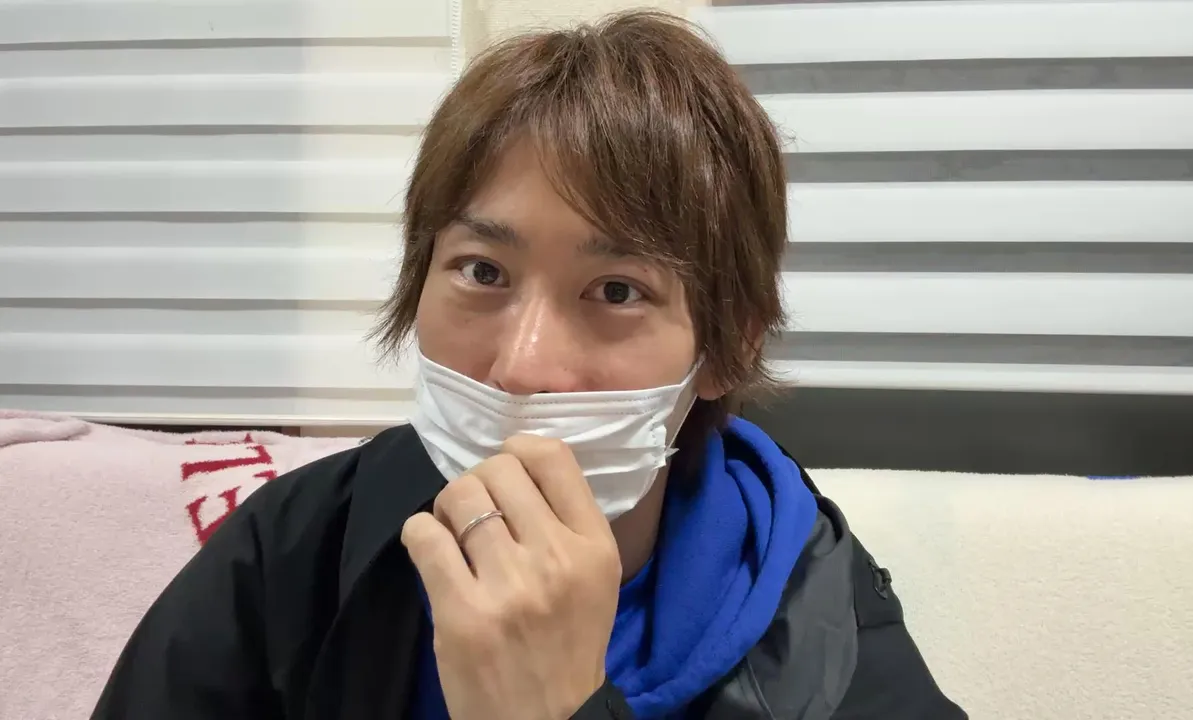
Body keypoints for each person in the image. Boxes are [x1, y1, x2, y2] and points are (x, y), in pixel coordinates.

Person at [92, 10, 965, 720]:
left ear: (726, 345)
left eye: (617, 290)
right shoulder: (300, 551)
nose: (521, 367)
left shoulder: (818, 628)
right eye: (482, 272)